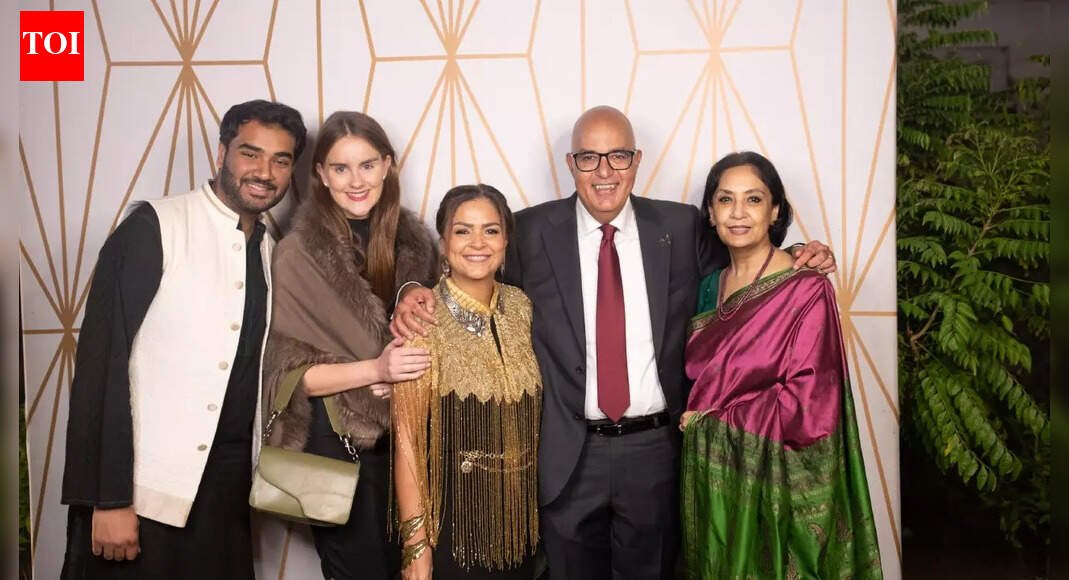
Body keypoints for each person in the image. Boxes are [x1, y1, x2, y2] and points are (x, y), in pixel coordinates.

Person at [391, 106, 836, 579]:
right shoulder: (530, 231)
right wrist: (410, 289)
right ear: (571, 163)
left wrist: (797, 254)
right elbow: (471, 268)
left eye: (618, 156)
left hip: (655, 453)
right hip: (567, 456)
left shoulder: (680, 226)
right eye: (589, 158)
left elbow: (744, 262)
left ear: (637, 160)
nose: (604, 172)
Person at [59, 99, 307, 579]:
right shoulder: (155, 226)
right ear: (221, 153)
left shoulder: (270, 251)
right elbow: (101, 366)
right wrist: (108, 500)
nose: (264, 172)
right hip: (142, 496)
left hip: (225, 499)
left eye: (281, 160)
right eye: (250, 153)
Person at [680, 151, 882, 578]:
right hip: (716, 485)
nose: (738, 213)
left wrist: (711, 424)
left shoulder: (807, 289)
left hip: (778, 490)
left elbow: (811, 406)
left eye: (753, 199)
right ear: (710, 213)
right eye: (725, 199)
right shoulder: (708, 287)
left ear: (775, 211)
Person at [260, 110, 439, 580]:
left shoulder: (417, 247)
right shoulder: (297, 255)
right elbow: (286, 376)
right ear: (321, 174)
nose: (356, 181)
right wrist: (376, 371)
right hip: (341, 451)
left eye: (367, 165)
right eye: (340, 168)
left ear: (387, 165)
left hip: (414, 445)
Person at [392, 184, 542, 580]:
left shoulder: (522, 307)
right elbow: (407, 441)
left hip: (522, 530)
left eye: (491, 230)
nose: (478, 243)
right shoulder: (421, 321)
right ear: (443, 244)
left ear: (506, 241)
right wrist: (416, 545)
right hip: (453, 531)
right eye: (463, 231)